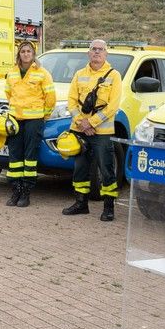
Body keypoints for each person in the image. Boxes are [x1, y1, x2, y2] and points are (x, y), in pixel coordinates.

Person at [62, 39, 124, 220]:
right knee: (80, 167)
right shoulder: (79, 74)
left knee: (106, 169)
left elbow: (113, 106)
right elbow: (71, 101)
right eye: (93, 49)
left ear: (106, 54)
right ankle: (81, 203)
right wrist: (81, 122)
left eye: (100, 49)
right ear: (88, 53)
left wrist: (92, 123)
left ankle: (109, 207)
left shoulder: (114, 76)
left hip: (102, 133)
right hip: (79, 130)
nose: (97, 52)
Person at [3, 41, 55, 207]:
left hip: (34, 120)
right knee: (14, 156)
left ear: (33, 54)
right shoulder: (11, 72)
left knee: (30, 157)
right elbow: (8, 93)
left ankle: (26, 192)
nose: (25, 54)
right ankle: (15, 190)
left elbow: (50, 98)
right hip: (15, 120)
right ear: (19, 54)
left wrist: (43, 116)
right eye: (23, 51)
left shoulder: (42, 73)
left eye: (28, 51)